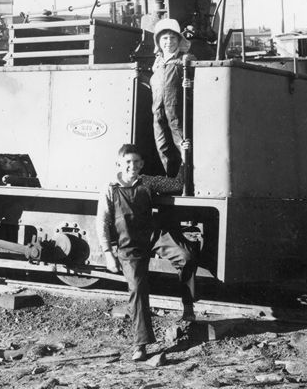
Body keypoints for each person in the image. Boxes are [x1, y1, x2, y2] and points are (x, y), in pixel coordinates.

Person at [96, 144, 198, 361]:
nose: (132, 166)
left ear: (141, 164)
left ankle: (188, 307)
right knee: (138, 289)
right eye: (128, 162)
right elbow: (102, 222)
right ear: (119, 164)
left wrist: (183, 156)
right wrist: (108, 253)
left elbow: (177, 184)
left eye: (136, 162)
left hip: (152, 235)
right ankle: (140, 345)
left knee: (186, 256)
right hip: (128, 244)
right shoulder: (109, 188)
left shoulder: (147, 181)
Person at [150, 18, 193, 177]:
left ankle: (186, 182)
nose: (169, 42)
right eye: (165, 38)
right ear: (159, 42)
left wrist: (191, 83)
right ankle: (171, 180)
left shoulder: (186, 59)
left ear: (179, 39)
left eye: (173, 37)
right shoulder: (157, 62)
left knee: (182, 145)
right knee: (163, 146)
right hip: (158, 111)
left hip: (177, 111)